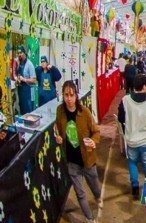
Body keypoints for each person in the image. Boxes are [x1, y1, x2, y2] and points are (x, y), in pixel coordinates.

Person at [54, 81, 102, 223]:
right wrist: (58, 137)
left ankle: (98, 197)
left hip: (87, 159)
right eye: (66, 95)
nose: (69, 98)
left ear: (76, 96)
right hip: (72, 161)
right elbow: (57, 127)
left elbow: (96, 132)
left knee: (95, 187)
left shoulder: (85, 113)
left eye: (71, 95)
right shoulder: (60, 111)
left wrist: (94, 141)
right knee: (80, 193)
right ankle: (89, 219)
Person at [118, 74, 146, 199]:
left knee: (132, 162)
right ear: (144, 86)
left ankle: (135, 186)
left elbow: (121, 118)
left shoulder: (125, 100)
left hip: (131, 139)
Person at [15, 46, 37, 114]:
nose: (19, 54)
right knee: (22, 110)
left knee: (29, 113)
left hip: (29, 94)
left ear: (24, 53)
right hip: (21, 92)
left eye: (21, 53)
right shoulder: (19, 64)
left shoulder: (29, 65)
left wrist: (24, 79)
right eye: (18, 53)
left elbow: (34, 80)